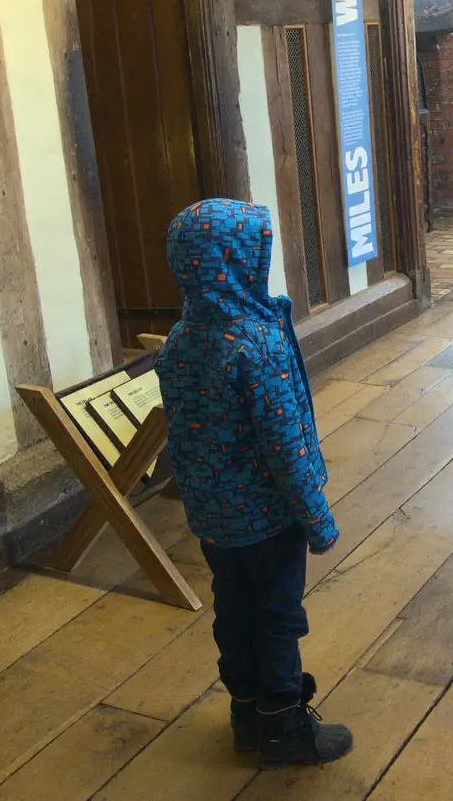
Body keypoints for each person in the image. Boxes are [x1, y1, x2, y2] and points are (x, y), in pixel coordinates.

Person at [156, 199, 353, 769]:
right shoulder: (255, 347)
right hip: (269, 517)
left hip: (215, 518)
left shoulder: (181, 341)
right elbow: (285, 447)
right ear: (242, 262)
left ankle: (246, 712)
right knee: (278, 616)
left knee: (234, 608)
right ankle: (283, 725)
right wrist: (316, 516)